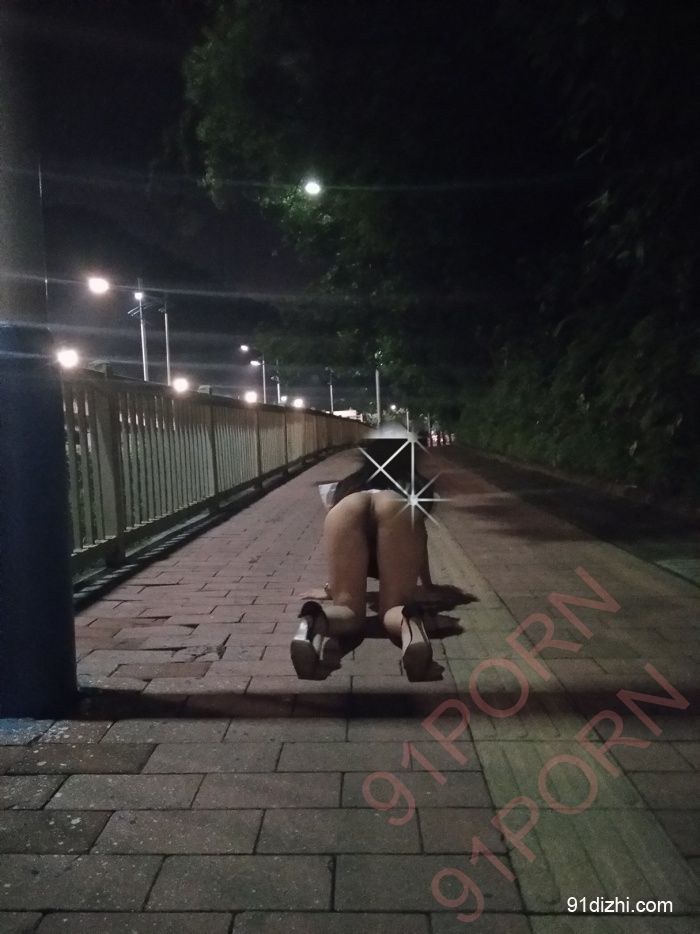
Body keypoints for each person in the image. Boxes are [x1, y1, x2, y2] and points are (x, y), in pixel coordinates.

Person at [291, 432, 441, 681]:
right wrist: (427, 584)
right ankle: (411, 629)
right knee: (394, 608)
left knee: (346, 610)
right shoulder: (418, 485)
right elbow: (419, 538)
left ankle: (313, 623)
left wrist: (331, 588)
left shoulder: (347, 484)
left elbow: (340, 548)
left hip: (347, 507)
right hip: (396, 506)